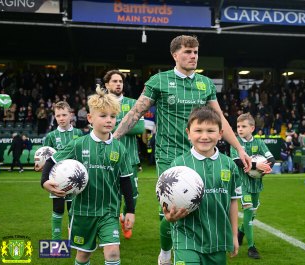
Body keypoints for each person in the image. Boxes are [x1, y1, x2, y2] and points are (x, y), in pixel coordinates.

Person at [113, 35, 251, 265]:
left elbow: (220, 119)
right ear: (175, 55)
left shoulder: (205, 84)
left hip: (202, 155)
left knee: (201, 206)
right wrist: (114, 138)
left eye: (195, 52)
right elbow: (135, 113)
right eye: (187, 52)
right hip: (170, 155)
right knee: (171, 210)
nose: (193, 56)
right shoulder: (159, 80)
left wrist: (239, 148)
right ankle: (166, 252)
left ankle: (197, 249)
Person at [41, 85, 135, 265]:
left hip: (109, 211)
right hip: (83, 212)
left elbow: (125, 181)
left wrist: (130, 210)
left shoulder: (120, 149)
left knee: (113, 252)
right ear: (90, 118)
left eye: (113, 116)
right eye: (103, 116)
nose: (109, 120)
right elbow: (52, 160)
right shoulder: (79, 144)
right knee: (83, 256)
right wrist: (44, 181)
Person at [163, 106, 241, 265]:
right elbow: (167, 199)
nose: (204, 136)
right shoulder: (179, 165)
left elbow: (233, 201)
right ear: (188, 134)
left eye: (210, 131)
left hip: (217, 239)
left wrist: (233, 236)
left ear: (220, 134)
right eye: (198, 130)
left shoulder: (229, 165)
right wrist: (168, 216)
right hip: (186, 236)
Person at [104, 69, 145, 239]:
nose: (118, 84)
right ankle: (110, 227)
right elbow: (98, 127)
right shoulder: (101, 104)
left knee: (132, 195)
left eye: (120, 81)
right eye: (114, 81)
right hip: (106, 157)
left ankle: (125, 218)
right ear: (107, 85)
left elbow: (139, 127)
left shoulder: (133, 103)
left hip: (130, 158)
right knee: (109, 194)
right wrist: (126, 123)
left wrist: (113, 125)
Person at [230, 113, 274, 259]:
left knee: (252, 213)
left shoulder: (259, 143)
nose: (240, 129)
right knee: (248, 211)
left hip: (256, 183)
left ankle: (241, 231)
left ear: (252, 128)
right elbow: (237, 161)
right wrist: (256, 164)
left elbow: (271, 159)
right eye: (238, 126)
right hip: (241, 183)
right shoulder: (236, 142)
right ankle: (251, 247)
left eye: (243, 126)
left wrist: (267, 167)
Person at [42, 101, 84, 240]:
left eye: (64, 114)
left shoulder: (79, 133)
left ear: (70, 115)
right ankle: (56, 240)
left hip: (76, 179)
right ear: (55, 117)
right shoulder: (51, 136)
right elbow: (46, 158)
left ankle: (74, 238)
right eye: (58, 115)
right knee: (58, 210)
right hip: (57, 180)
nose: (61, 118)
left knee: (74, 210)